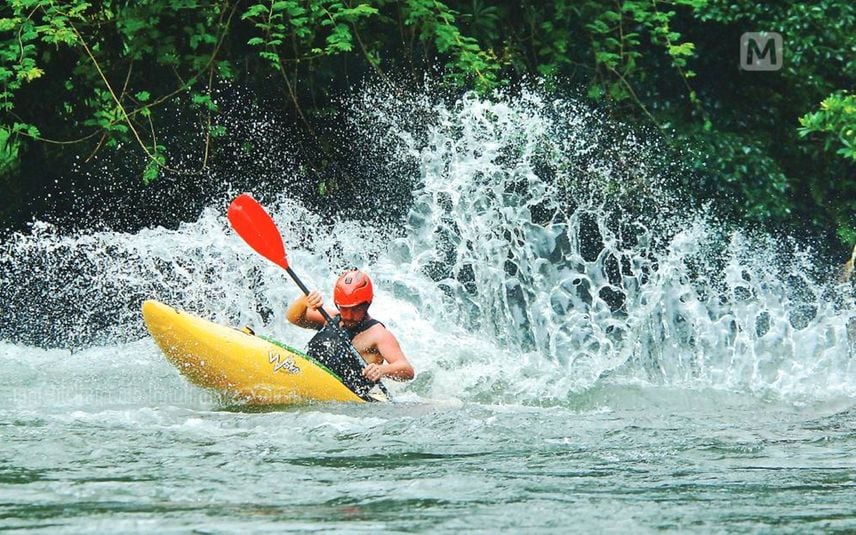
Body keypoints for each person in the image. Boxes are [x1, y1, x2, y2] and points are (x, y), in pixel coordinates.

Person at [286, 269, 415, 392]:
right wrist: (303, 301)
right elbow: (294, 318)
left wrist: (382, 370)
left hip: (345, 400)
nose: (348, 316)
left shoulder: (378, 335)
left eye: (355, 309)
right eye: (344, 308)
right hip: (310, 383)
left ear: (366, 304)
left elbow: (407, 371)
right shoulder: (330, 318)